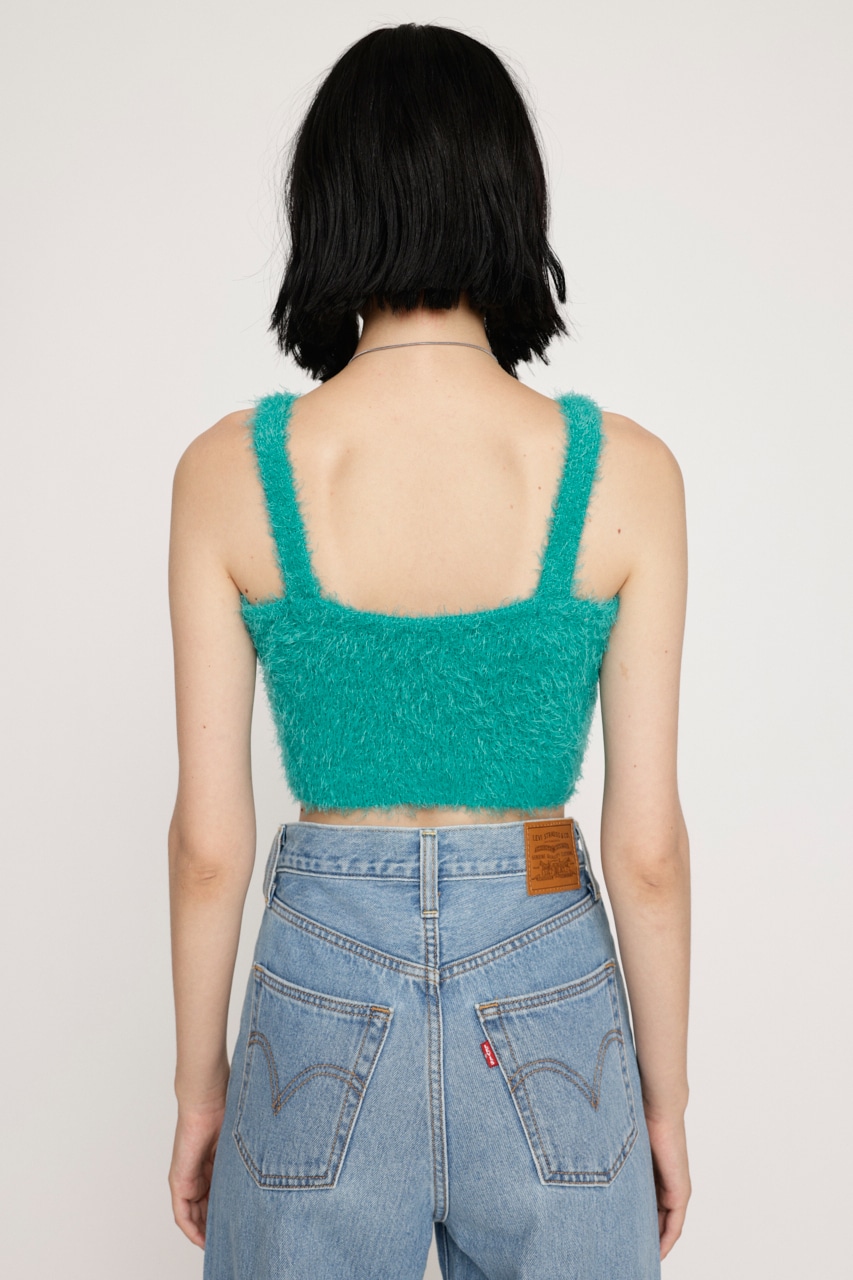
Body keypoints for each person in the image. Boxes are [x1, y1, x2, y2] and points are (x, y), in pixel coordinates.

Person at [167, 22, 691, 1280]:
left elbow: (207, 847)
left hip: (318, 976)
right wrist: (664, 1100)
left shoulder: (231, 471)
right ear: (510, 199)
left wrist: (199, 1090)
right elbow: (648, 851)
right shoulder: (622, 472)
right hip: (549, 961)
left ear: (327, 207)